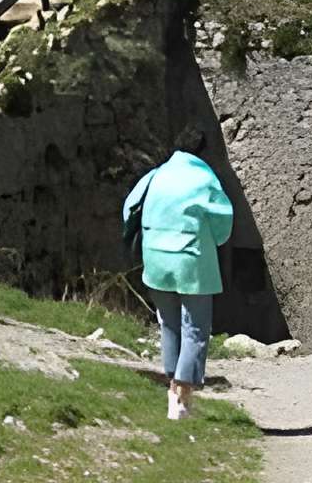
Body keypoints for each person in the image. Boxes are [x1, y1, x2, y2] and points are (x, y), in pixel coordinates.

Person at [123, 123, 238, 421]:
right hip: (192, 263)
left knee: (170, 325)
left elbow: (129, 209)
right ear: (203, 151)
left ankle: (171, 393)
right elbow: (223, 222)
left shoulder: (156, 175)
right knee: (196, 329)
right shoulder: (204, 179)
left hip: (157, 262)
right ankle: (182, 395)